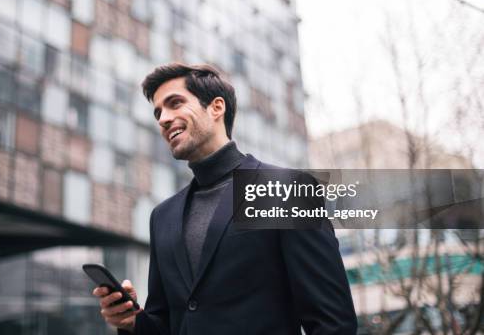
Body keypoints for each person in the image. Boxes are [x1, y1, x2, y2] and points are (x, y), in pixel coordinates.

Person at [93, 63, 357, 334]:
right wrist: (133, 321)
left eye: (175, 103)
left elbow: (332, 322)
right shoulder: (162, 216)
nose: (163, 119)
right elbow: (167, 324)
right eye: (158, 112)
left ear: (216, 108)